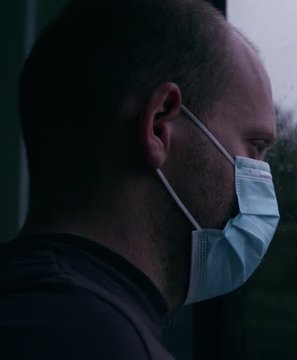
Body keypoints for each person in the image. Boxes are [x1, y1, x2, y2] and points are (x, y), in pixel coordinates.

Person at [0, 0, 280, 358]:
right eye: (255, 148)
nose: (263, 185)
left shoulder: (28, 306)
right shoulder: (99, 342)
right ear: (159, 126)